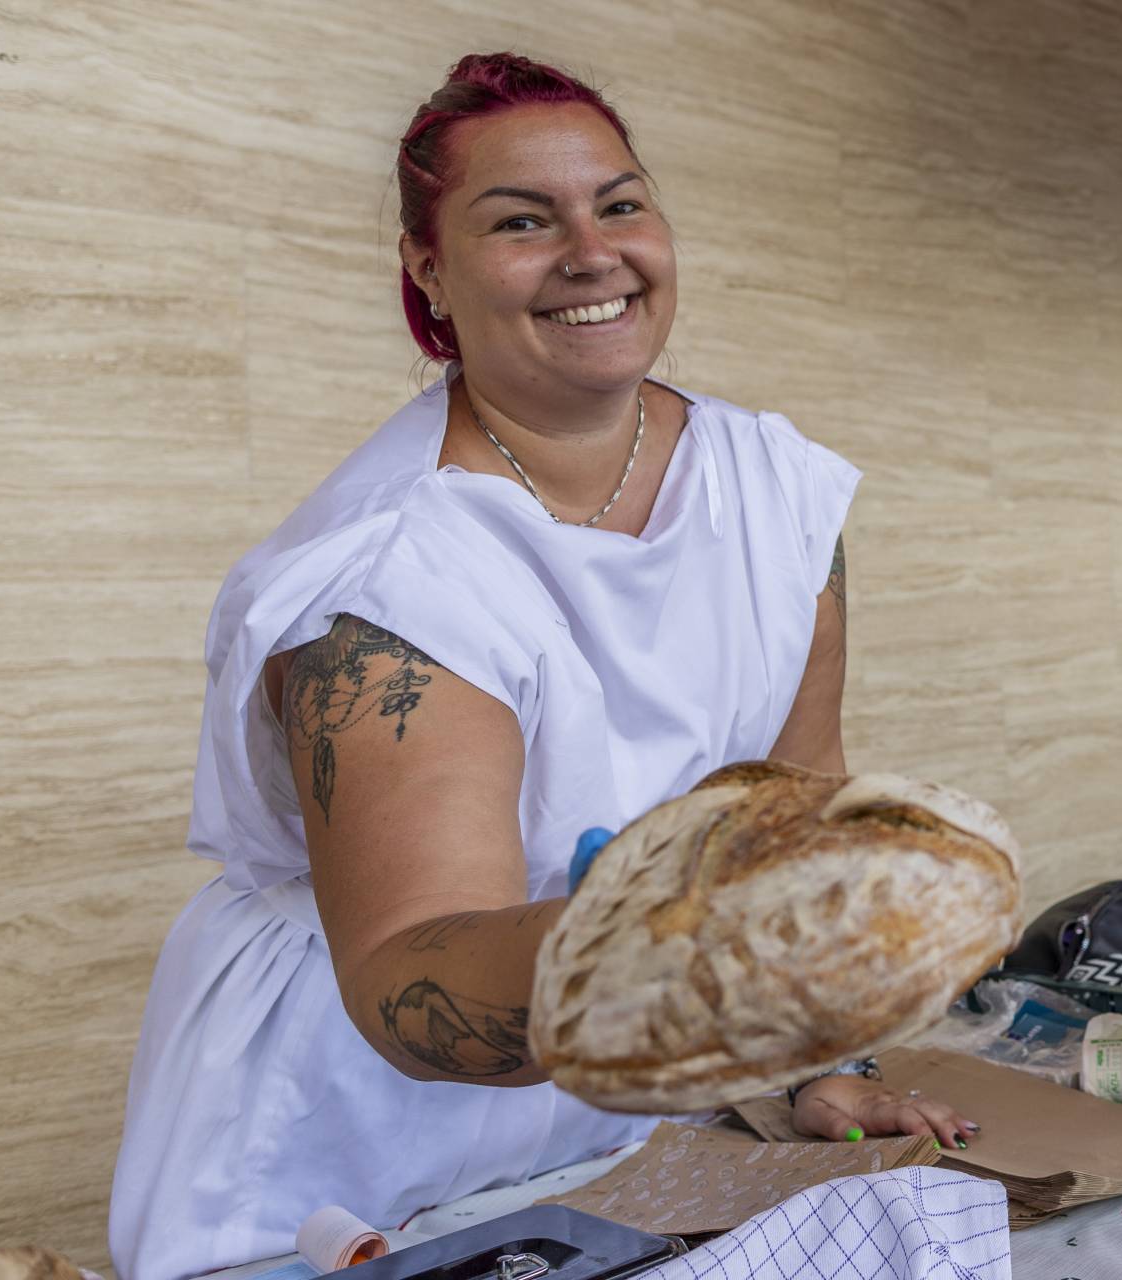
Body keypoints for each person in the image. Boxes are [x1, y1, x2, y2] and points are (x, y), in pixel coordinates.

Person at [109, 54, 977, 1280]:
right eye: (522, 221)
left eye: (619, 204)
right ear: (429, 268)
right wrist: (666, 951)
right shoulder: (386, 579)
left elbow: (787, 806)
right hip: (355, 1142)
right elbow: (411, 975)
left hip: (625, 1109)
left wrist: (809, 1059)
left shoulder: (777, 494)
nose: (591, 251)